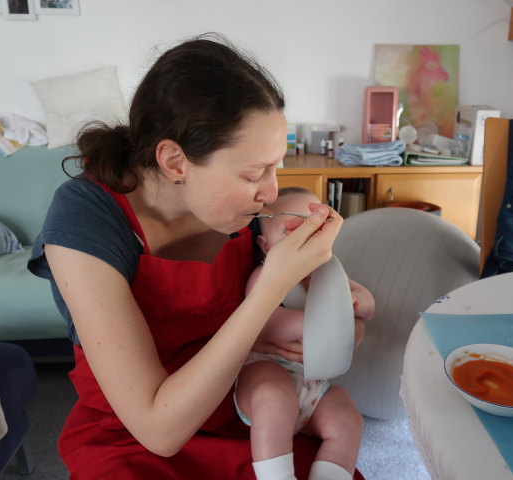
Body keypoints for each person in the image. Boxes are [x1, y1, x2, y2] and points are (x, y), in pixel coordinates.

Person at [27, 34, 367, 479]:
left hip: (248, 410)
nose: (270, 192)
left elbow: (349, 329)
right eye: (254, 172)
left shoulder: (243, 213)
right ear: (174, 161)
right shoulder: (87, 218)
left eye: (276, 166)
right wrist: (267, 295)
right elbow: (158, 430)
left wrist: (334, 306)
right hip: (134, 438)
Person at [235, 187, 375, 480]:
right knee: (274, 395)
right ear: (265, 245)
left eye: (310, 224)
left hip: (313, 386)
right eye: (288, 228)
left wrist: (356, 300)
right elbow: (270, 324)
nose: (302, 233)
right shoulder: (264, 276)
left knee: (347, 416)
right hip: (265, 371)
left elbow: (367, 306)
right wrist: (321, 319)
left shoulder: (329, 272)